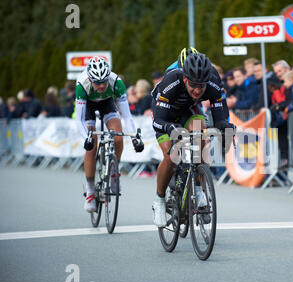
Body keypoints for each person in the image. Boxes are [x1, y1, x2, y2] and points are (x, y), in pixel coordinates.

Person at [151, 53, 234, 227]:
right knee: (171, 156)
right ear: (185, 78)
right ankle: (159, 200)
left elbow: (220, 114)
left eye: (201, 86)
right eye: (193, 85)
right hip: (165, 115)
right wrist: (169, 128)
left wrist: (224, 126)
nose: (197, 90)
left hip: (188, 110)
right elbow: (158, 121)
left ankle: (198, 187)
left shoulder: (213, 82)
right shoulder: (172, 81)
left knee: (201, 132)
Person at [75, 56, 144, 213]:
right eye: (97, 82)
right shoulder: (82, 85)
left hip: (107, 103)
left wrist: (134, 137)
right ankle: (91, 191)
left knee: (118, 136)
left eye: (104, 82)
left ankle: (113, 171)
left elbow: (126, 115)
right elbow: (78, 120)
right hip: (89, 107)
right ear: (90, 79)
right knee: (91, 146)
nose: (101, 85)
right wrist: (86, 138)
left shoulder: (116, 82)